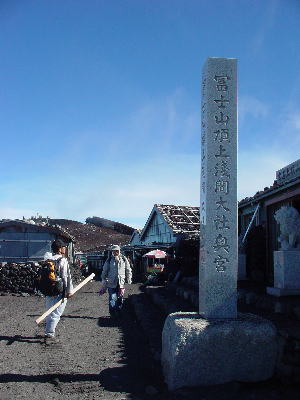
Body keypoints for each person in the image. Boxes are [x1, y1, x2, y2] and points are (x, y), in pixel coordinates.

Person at [43, 239, 73, 342]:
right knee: (56, 312)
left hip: (47, 289)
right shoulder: (62, 260)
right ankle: (49, 333)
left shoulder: (47, 260)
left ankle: (48, 330)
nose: (65, 248)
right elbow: (66, 276)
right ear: (60, 249)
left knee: (49, 310)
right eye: (63, 247)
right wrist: (69, 291)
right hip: (59, 290)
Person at [101, 245, 132, 317]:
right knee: (113, 298)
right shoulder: (109, 260)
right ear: (112, 252)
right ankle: (112, 313)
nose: (115, 252)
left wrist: (129, 279)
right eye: (114, 251)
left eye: (117, 251)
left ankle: (119, 311)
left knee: (120, 298)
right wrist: (103, 278)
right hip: (111, 283)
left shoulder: (124, 259)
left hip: (121, 283)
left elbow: (128, 269)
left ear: (119, 251)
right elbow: (105, 270)